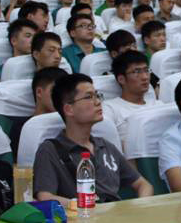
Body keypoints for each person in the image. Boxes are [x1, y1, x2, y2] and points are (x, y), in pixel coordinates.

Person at [32, 73, 153, 204]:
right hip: (80, 215)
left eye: (97, 95)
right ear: (69, 109)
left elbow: (143, 184)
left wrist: (140, 206)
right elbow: (44, 197)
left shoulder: (105, 146)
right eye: (89, 97)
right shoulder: (50, 150)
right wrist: (85, 206)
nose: (98, 102)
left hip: (115, 213)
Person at [102, 50, 152, 144]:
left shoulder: (158, 105)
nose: (145, 77)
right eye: (137, 72)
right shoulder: (110, 109)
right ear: (121, 79)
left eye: (146, 70)